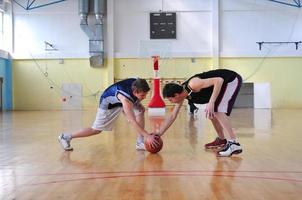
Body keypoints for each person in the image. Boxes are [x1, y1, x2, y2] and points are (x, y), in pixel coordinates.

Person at [158, 69, 243, 157]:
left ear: (176, 95)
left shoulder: (193, 84)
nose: (171, 102)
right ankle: (222, 140)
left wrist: (211, 102)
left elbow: (219, 80)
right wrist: (159, 134)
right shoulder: (182, 94)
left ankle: (234, 144)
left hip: (231, 80)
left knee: (217, 110)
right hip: (222, 84)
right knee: (211, 114)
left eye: (170, 99)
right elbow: (172, 116)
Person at [58, 78, 158, 151]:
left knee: (140, 110)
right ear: (135, 91)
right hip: (108, 104)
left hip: (119, 101)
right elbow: (132, 121)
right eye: (142, 95)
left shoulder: (137, 83)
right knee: (96, 130)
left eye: (145, 95)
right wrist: (147, 136)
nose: (144, 97)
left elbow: (132, 99)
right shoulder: (126, 100)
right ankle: (66, 137)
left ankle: (140, 142)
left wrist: (137, 103)